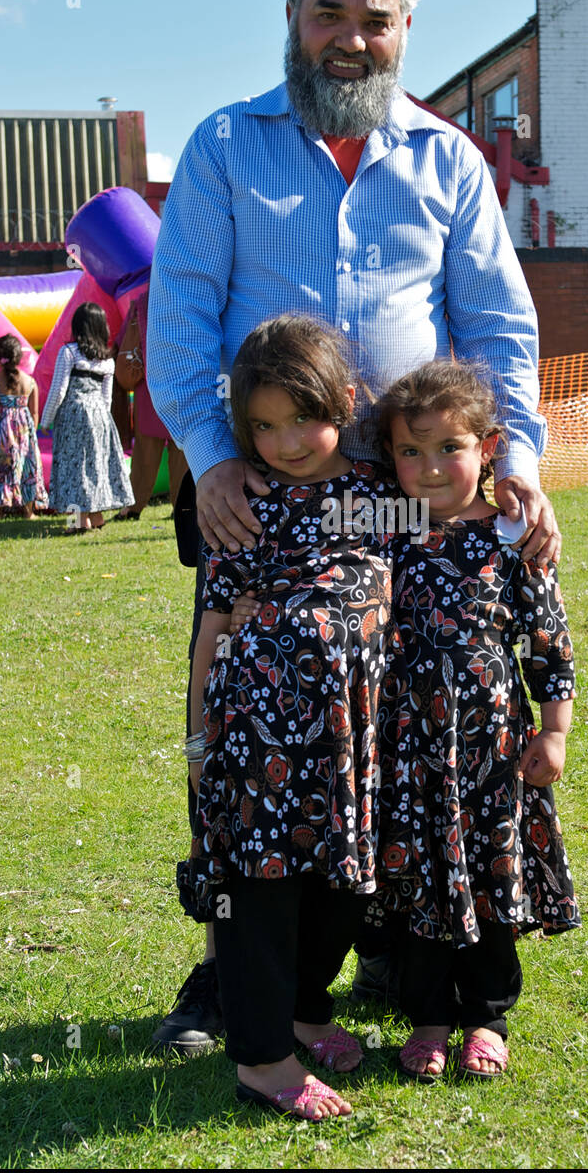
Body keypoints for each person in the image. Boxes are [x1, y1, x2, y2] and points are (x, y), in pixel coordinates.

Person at [147, 0, 561, 1054]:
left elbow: (496, 329)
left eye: (372, 19)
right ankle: (235, 984)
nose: (349, 37)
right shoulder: (226, 147)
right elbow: (178, 326)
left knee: (388, 732)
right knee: (256, 749)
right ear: (291, 17)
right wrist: (212, 458)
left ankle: (386, 942)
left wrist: (513, 459)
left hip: (405, 501)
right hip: (255, 497)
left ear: (404, 28)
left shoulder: (447, 163)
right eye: (327, 11)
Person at [178, 314, 395, 1120]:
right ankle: (265, 1061)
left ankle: (307, 1011)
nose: (285, 442)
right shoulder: (242, 501)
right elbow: (209, 631)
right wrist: (198, 740)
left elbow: (443, 545)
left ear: (343, 400)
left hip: (351, 738)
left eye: (300, 419)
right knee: (260, 891)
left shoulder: (381, 493)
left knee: (340, 885)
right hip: (257, 738)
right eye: (263, 427)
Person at [370, 360, 579, 1079]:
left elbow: (548, 641)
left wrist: (554, 731)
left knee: (489, 877)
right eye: (410, 450)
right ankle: (427, 1017)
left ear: (488, 448)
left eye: (448, 449)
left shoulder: (513, 536)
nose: (430, 469)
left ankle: (486, 1017)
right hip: (407, 752)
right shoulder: (384, 535)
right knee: (419, 880)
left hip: (491, 751)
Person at [40, 303, 134, 533]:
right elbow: (107, 397)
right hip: (100, 416)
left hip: (74, 415)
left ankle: (78, 523)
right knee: (96, 466)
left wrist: (45, 420)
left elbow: (58, 390)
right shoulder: (107, 361)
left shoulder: (69, 353)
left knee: (74, 468)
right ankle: (97, 517)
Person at [109, 288, 188, 523]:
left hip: (149, 384)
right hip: (182, 383)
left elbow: (123, 340)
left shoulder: (143, 302)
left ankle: (133, 507)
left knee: (145, 449)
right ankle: (182, 506)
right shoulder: (186, 296)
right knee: (182, 449)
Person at [0, 334, 48, 519]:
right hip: (24, 431)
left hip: (0, 431)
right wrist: (30, 433)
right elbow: (34, 413)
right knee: (26, 467)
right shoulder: (30, 381)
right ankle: (28, 511)